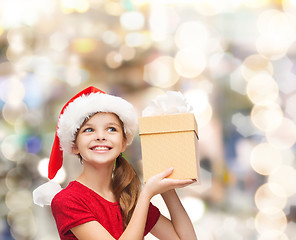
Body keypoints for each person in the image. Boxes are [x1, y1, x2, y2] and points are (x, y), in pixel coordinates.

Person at [39, 86, 198, 240]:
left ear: (123, 143)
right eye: (89, 130)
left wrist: (166, 188)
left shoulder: (128, 198)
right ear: (74, 146)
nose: (101, 136)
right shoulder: (67, 201)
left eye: (111, 129)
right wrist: (147, 194)